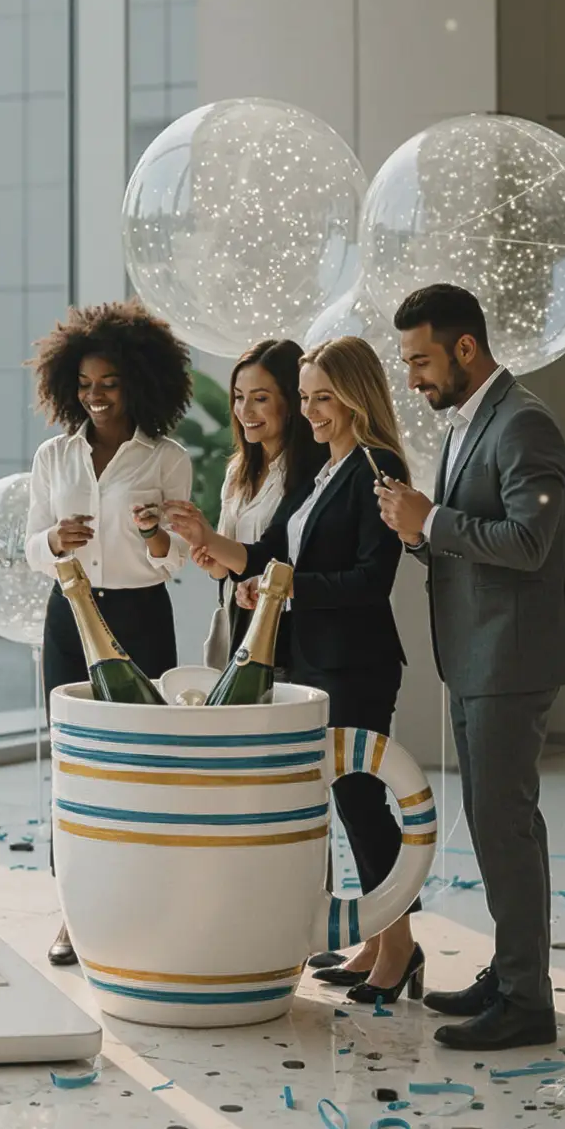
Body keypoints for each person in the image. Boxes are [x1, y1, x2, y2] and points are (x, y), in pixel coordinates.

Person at [372, 283, 565, 1053]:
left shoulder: (523, 419)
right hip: (479, 651)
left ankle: (528, 1000)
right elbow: (477, 532)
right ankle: (510, 972)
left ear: (467, 347)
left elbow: (528, 542)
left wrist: (430, 519)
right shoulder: (473, 420)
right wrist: (417, 528)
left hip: (512, 653)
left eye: (422, 360)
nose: (414, 378)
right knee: (501, 824)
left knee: (504, 823)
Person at [168, 337, 417, 1004]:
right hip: (312, 659)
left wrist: (288, 587)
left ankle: (401, 948)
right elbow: (270, 554)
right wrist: (232, 563)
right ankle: (379, 940)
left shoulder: (377, 465)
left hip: (356, 661)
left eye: (322, 397)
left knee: (361, 800)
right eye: (304, 397)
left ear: (355, 396)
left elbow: (371, 578)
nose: (309, 411)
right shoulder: (324, 470)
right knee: (348, 799)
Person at [22, 299, 197, 965]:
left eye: (109, 383)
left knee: (142, 767)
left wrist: (155, 533)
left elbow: (174, 560)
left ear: (138, 383)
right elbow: (32, 543)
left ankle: (144, 907)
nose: (95, 396)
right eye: (85, 384)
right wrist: (53, 540)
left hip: (141, 619)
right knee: (75, 766)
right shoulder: (52, 457)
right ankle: (74, 913)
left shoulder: (165, 458)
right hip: (70, 614)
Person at [185, 339, 323, 666]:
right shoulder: (237, 471)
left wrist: (213, 542)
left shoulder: (313, 474)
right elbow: (223, 568)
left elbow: (293, 559)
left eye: (260, 399)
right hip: (241, 622)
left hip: (287, 628)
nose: (245, 411)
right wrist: (207, 551)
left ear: (292, 402)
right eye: (238, 398)